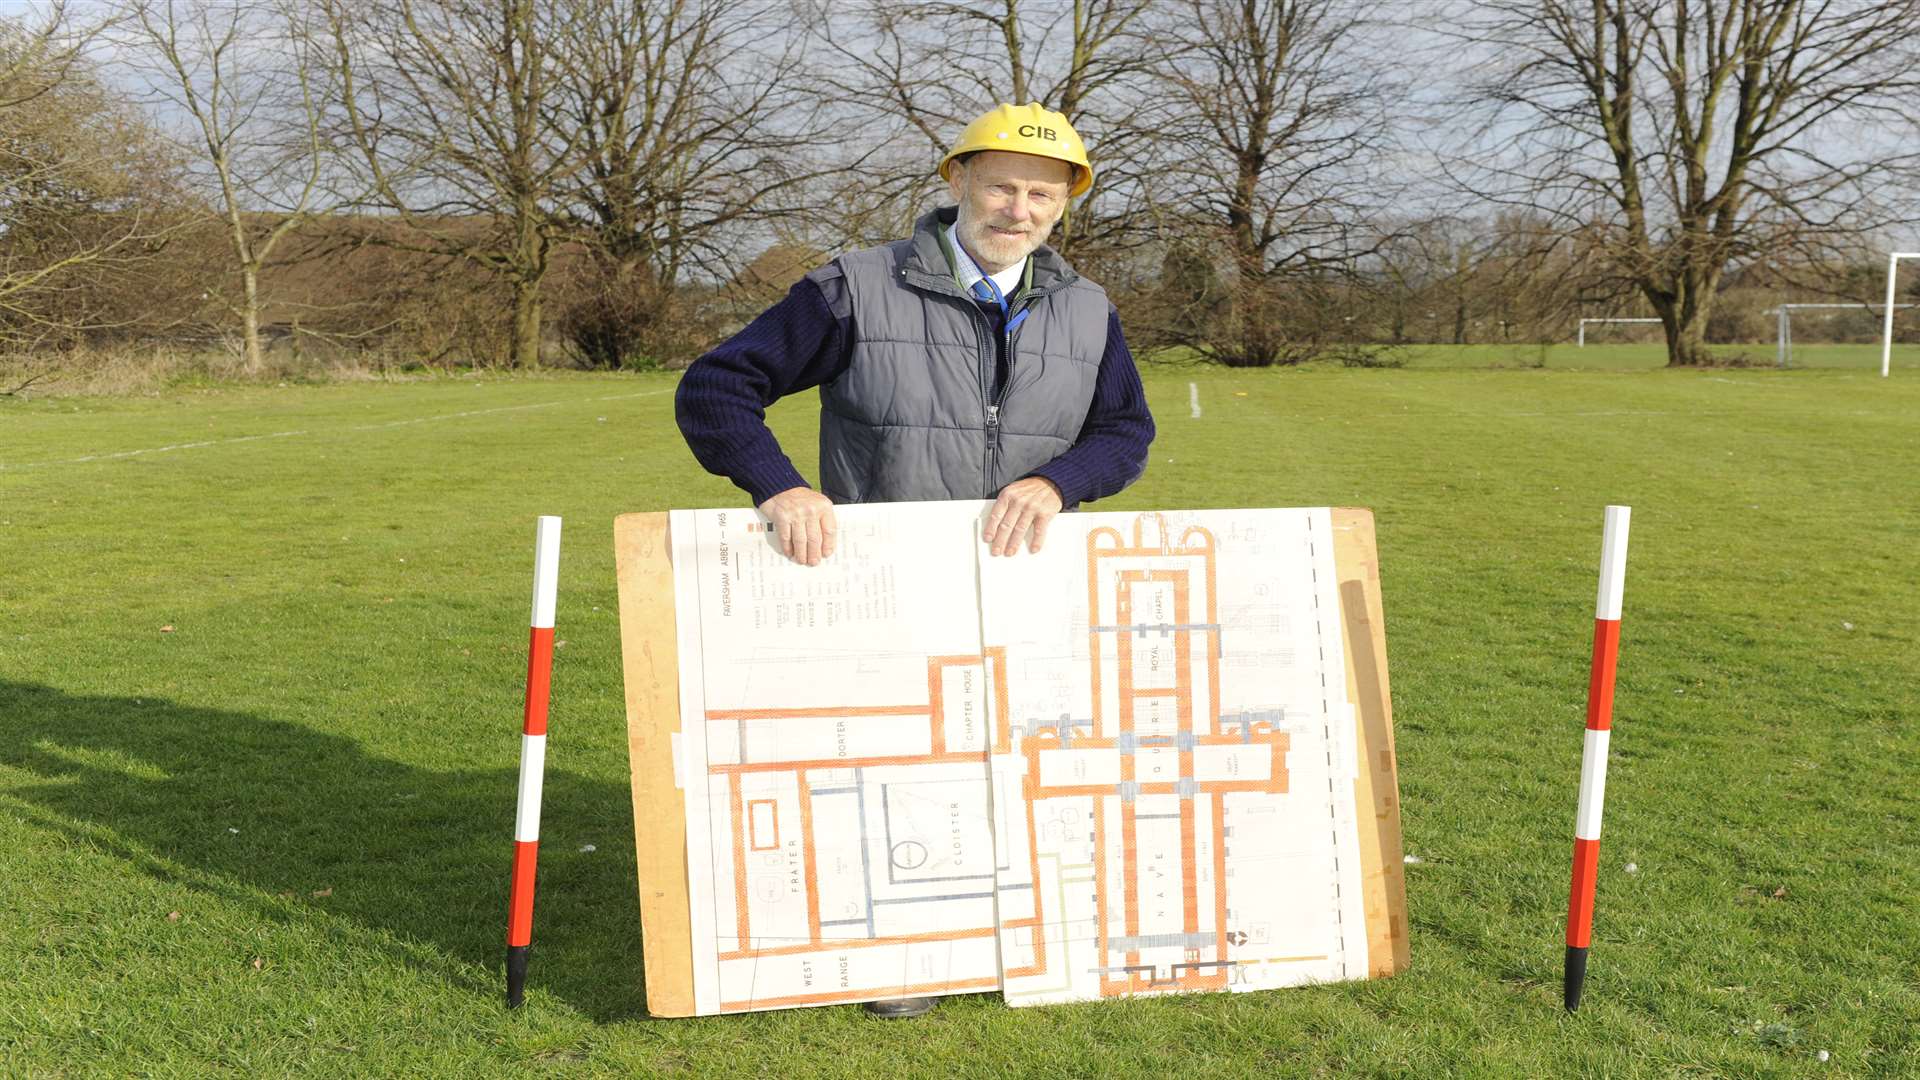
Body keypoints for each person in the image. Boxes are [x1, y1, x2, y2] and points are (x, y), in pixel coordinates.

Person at [673, 103, 1155, 1017]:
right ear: (957, 181)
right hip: (886, 586)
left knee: (1017, 761)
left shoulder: (1087, 308)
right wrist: (779, 487)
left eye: (1041, 195)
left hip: (1021, 577)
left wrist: (1060, 481)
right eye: (1002, 185)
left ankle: (1015, 940)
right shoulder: (855, 286)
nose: (1018, 208)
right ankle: (902, 958)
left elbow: (1125, 431)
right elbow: (718, 386)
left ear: (1064, 206)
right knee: (892, 770)